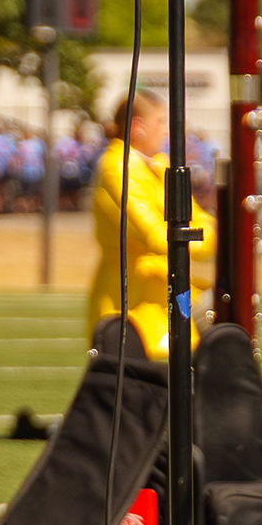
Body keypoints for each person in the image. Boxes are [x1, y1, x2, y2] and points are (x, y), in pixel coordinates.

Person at [87, 89, 203, 359]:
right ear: (137, 127)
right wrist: (201, 239)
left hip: (161, 294)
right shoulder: (117, 168)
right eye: (160, 122)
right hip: (130, 302)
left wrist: (201, 236)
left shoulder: (158, 165)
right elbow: (158, 236)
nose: (165, 131)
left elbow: (200, 221)